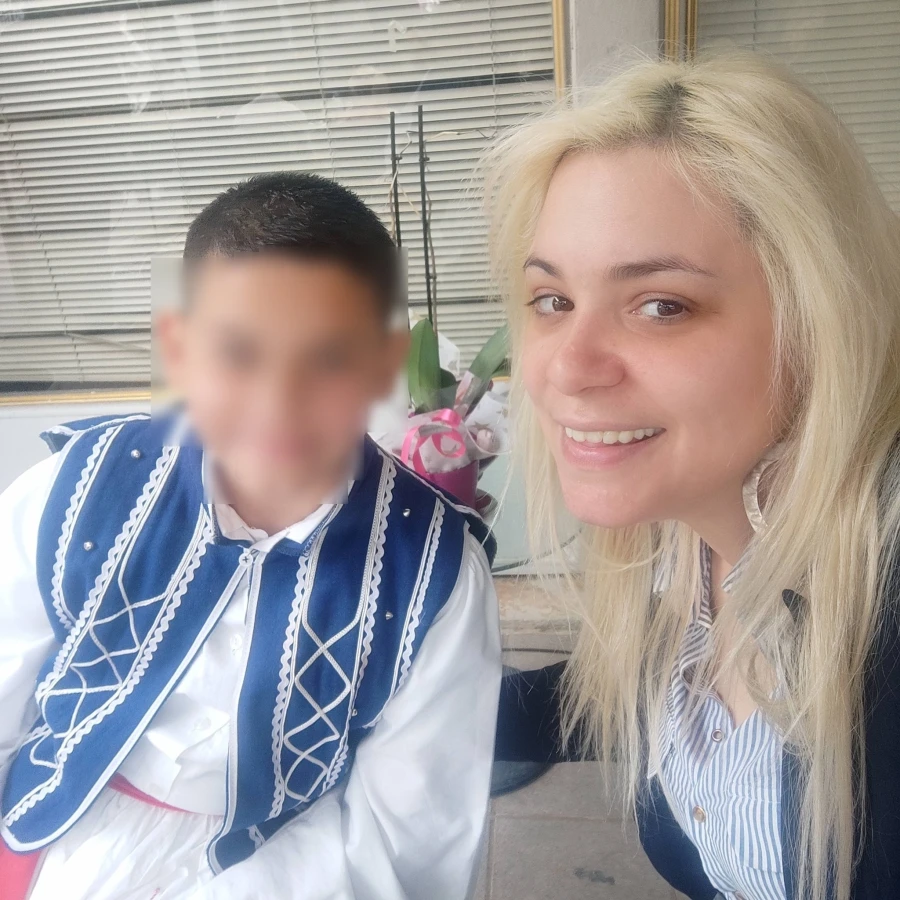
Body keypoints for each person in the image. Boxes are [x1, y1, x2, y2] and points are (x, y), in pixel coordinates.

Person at [0, 172, 501, 900]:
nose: (278, 402)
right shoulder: (74, 492)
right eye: (237, 353)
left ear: (385, 363)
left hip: (282, 857)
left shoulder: (434, 576)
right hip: (55, 826)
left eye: (329, 358)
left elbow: (411, 836)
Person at [486, 54, 900, 900]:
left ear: (822, 319)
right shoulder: (682, 537)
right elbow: (627, 691)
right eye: (553, 300)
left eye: (661, 306)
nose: (568, 368)